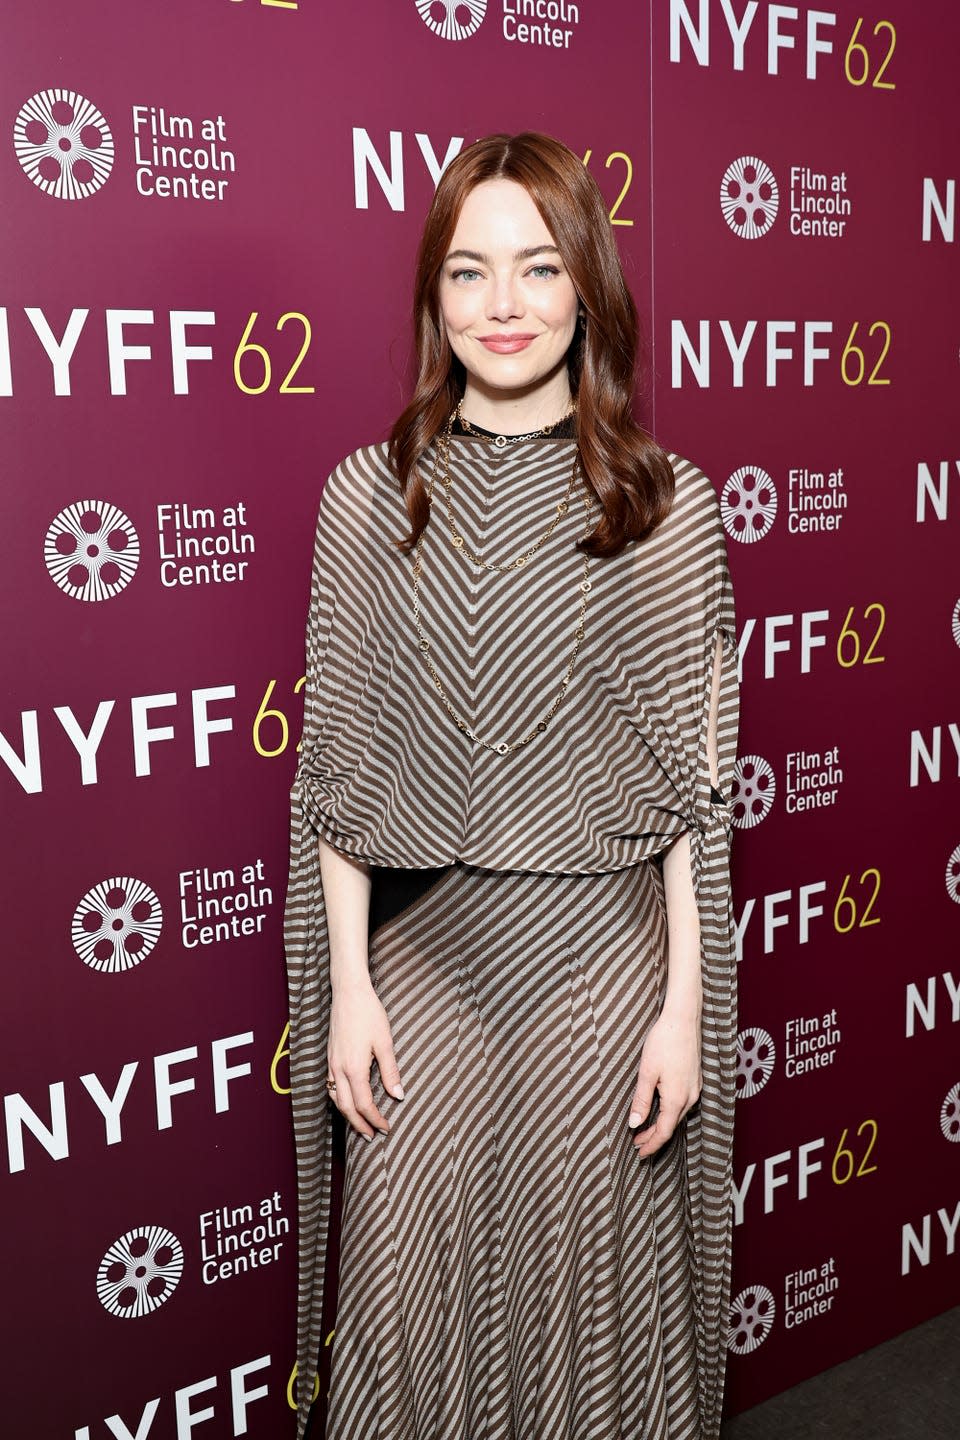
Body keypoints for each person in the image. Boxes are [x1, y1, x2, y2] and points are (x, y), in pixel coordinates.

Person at [283, 131, 739, 1440]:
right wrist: (353, 987)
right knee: (404, 1300)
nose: (503, 305)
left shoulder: (658, 503)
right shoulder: (370, 499)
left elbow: (691, 799)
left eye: (539, 269)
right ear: (433, 297)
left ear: (587, 286)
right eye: (470, 272)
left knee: (586, 1305)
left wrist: (683, 1012)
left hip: (599, 972)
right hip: (423, 971)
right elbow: (343, 767)